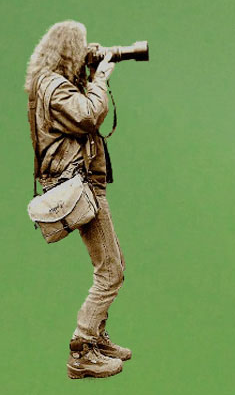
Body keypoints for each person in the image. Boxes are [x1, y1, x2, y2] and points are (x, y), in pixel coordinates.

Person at [25, 21, 131, 380]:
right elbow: (88, 115)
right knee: (110, 271)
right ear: (69, 51)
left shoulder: (52, 81)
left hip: (82, 177)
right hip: (76, 182)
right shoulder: (53, 86)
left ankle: (98, 339)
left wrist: (88, 73)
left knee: (113, 263)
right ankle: (82, 350)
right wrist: (100, 77)